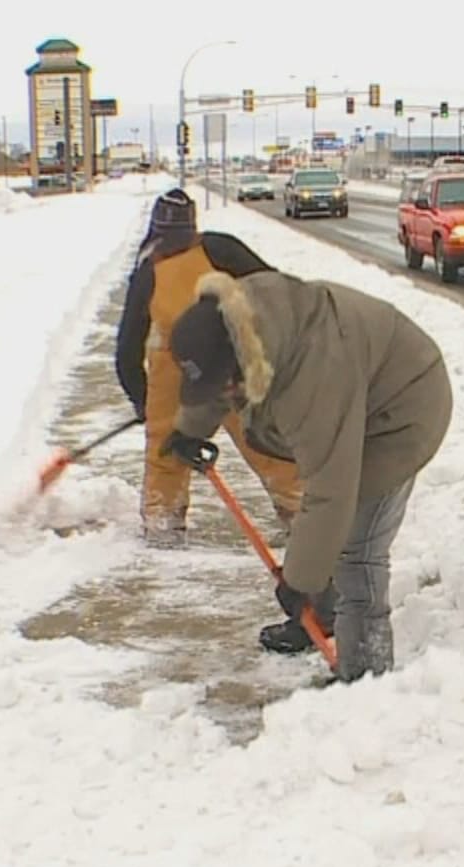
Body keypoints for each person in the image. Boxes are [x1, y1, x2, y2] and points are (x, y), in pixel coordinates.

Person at [163, 269, 453, 683]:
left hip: (400, 412)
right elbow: (219, 379)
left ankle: (368, 676)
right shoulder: (241, 328)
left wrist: (299, 582)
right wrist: (189, 428)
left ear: (243, 361)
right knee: (322, 537)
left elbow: (331, 490)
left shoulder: (313, 374)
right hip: (357, 391)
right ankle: (323, 617)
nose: (225, 396)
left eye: (224, 386)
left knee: (358, 549)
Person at [115, 189, 334, 655]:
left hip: (189, 368)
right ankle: (300, 514)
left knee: (169, 454)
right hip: (232, 360)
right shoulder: (219, 248)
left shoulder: (149, 270)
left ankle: (163, 525)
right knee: (267, 445)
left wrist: (139, 398)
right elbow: (277, 287)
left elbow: (125, 352)